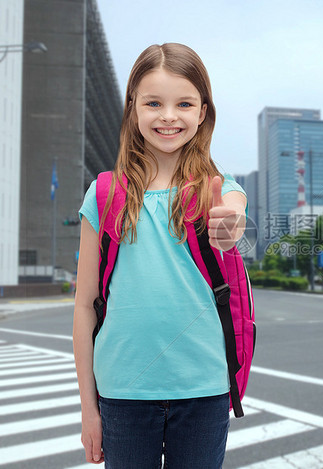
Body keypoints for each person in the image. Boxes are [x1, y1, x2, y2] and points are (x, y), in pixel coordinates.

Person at [72, 43, 247, 468]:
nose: (168, 116)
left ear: (202, 112)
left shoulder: (219, 188)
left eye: (184, 103)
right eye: (153, 103)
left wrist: (228, 225)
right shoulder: (103, 193)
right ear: (133, 108)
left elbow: (232, 221)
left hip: (204, 388)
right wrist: (88, 409)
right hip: (122, 393)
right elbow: (83, 306)